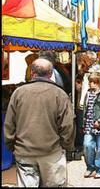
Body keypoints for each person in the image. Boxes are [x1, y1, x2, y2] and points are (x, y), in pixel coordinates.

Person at [4, 58, 76, 187]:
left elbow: (9, 124)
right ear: (51, 73)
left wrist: (13, 146)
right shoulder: (59, 94)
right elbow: (67, 125)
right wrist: (66, 145)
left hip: (25, 151)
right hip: (51, 152)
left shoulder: (19, 93)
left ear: (32, 72)